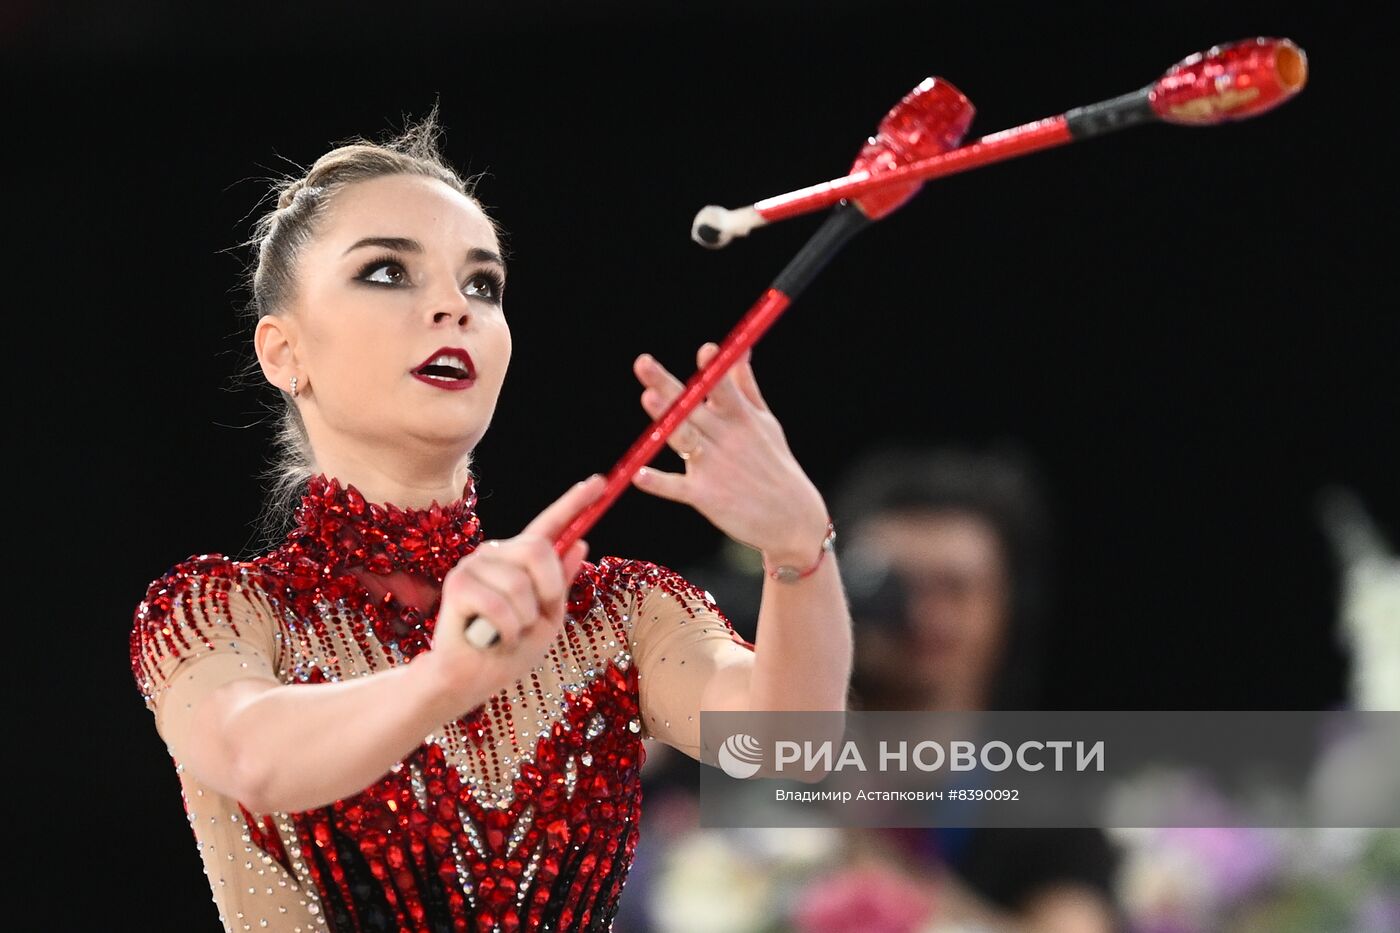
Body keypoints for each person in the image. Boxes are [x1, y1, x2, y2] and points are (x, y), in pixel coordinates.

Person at [128, 106, 852, 933]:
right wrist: (446, 677)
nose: (454, 307)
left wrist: (799, 550)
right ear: (283, 351)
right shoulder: (219, 611)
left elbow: (792, 748)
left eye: (482, 284)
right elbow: (254, 755)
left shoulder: (611, 615)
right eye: (387, 272)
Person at [832, 444, 1123, 932]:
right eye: (893, 589)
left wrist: (894, 891)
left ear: (1005, 607)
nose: (922, 617)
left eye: (956, 588)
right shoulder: (766, 765)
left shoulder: (1051, 800)